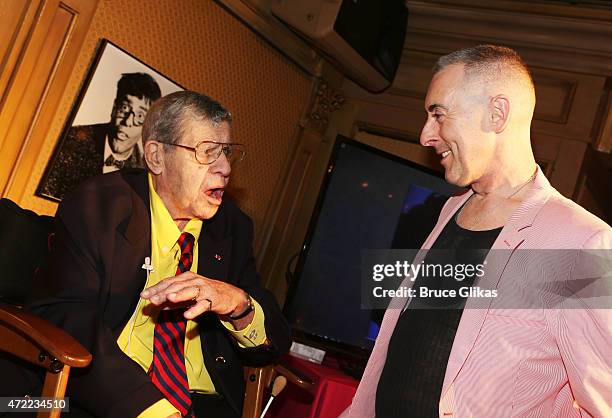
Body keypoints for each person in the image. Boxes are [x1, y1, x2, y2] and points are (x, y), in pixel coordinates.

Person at [342, 45, 611, 417]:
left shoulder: (584, 243)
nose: (425, 136)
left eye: (439, 114)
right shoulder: (452, 207)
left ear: (497, 113)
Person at [28, 91, 291, 417]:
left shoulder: (232, 228)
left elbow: (274, 343)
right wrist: (153, 411)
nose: (224, 168)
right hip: (108, 397)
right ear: (156, 156)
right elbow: (70, 320)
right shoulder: (98, 208)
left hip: (207, 406)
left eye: (226, 152)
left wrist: (239, 305)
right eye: (208, 151)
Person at [40, 72, 161, 200]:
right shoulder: (73, 140)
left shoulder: (145, 172)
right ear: (114, 107)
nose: (128, 122)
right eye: (124, 108)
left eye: (140, 116)